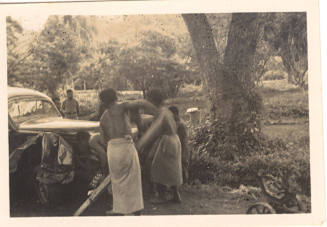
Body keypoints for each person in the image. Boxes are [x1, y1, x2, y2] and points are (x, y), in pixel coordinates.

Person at [99, 88, 157, 216]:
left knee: (117, 181)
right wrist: (155, 109)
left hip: (112, 148)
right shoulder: (122, 106)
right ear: (115, 97)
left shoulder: (103, 118)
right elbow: (141, 103)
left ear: (103, 101)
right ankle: (136, 210)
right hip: (125, 145)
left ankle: (120, 209)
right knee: (133, 179)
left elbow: (103, 140)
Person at [137, 89, 183, 204]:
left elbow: (153, 133)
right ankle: (176, 194)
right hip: (174, 140)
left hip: (168, 141)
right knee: (173, 168)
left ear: (152, 101)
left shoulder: (161, 113)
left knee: (158, 168)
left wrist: (139, 145)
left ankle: (161, 196)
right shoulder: (165, 111)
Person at [169, 105, 190, 183]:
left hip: (182, 148)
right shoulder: (177, 123)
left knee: (183, 165)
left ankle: (184, 183)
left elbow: (182, 139)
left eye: (171, 114)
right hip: (180, 147)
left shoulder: (180, 125)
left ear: (175, 114)